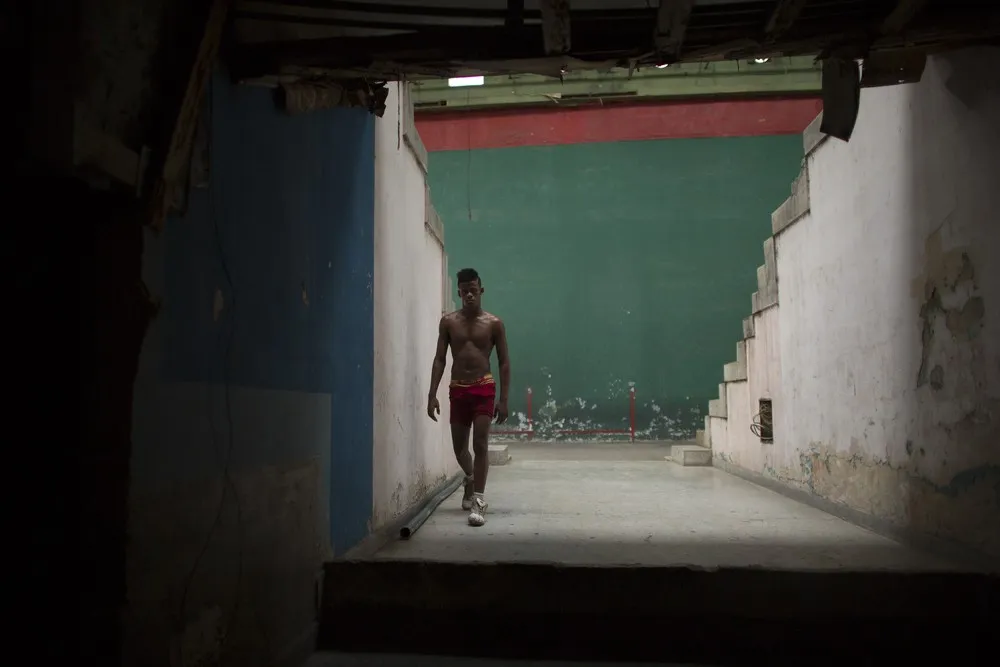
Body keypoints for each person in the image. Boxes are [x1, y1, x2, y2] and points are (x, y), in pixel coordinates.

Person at [427, 268, 510, 527]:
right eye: (465, 291)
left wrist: (504, 399)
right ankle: (471, 478)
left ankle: (479, 501)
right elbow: (440, 359)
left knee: (480, 444)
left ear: (481, 290)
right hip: (458, 389)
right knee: (459, 449)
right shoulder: (448, 322)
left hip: (484, 388)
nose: (469, 295)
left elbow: (504, 362)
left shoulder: (494, 323)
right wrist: (432, 394)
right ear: (459, 293)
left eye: (473, 290)